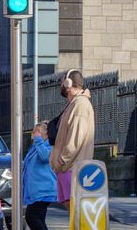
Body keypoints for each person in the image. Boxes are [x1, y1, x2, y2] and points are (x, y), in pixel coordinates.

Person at [50, 70, 96, 211]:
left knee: (77, 211)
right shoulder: (74, 104)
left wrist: (61, 161)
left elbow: (75, 139)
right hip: (67, 168)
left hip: (71, 168)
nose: (61, 84)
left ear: (68, 83)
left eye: (63, 81)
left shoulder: (80, 105)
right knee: (73, 212)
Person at [23, 123, 58, 230]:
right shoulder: (35, 147)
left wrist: (38, 141)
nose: (33, 135)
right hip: (37, 192)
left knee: (31, 217)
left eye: (36, 132)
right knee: (39, 219)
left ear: (45, 134)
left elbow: (45, 157)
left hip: (44, 191)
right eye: (33, 132)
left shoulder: (50, 146)